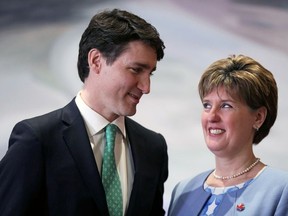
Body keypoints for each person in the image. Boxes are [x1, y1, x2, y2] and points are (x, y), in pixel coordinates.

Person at [0, 9, 168, 216]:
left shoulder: (153, 148)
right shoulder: (36, 140)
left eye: (150, 73)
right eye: (135, 70)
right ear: (96, 60)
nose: (146, 86)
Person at [168, 54, 288, 215]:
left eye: (226, 105)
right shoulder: (183, 190)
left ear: (258, 117)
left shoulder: (281, 190)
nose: (212, 116)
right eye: (207, 105)